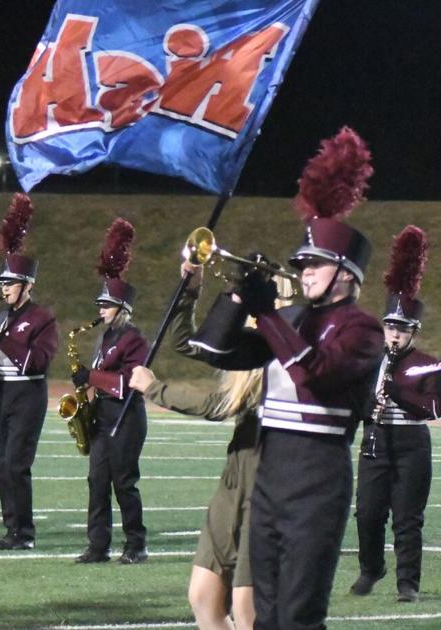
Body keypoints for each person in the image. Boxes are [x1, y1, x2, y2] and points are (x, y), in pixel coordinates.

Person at [189, 128, 383, 629]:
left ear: (346, 273)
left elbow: (312, 375)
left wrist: (268, 315)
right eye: (301, 261)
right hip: (270, 476)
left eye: (315, 262)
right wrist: (237, 296)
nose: (304, 269)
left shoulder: (363, 329)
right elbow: (216, 350)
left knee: (297, 615)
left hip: (316, 481)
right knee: (265, 615)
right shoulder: (292, 317)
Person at [129, 260, 267, 630]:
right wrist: (190, 288)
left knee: (247, 608)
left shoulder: (275, 351)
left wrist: (154, 388)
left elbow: (219, 405)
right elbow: (182, 342)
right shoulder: (241, 345)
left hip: (267, 488)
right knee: (203, 597)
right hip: (232, 485)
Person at [352, 225, 440, 603]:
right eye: (390, 326)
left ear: (413, 331)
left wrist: (399, 392)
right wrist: (365, 406)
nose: (394, 334)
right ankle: (372, 567)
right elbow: (352, 398)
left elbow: (434, 407)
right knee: (368, 514)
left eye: (402, 329)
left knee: (408, 519)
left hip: (411, 444)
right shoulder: (372, 361)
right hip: (375, 442)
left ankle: (409, 584)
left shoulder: (428, 365)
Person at [0, 194, 56, 551]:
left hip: (29, 393)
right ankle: (10, 528)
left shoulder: (43, 319)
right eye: (3, 284)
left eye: (11, 284)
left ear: (28, 285)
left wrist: (3, 341)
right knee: (0, 464)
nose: (5, 289)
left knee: (16, 464)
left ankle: (24, 532)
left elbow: (37, 361)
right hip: (4, 394)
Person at [74, 218, 149, 565]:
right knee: (96, 481)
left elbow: (127, 382)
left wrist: (90, 375)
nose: (100, 309)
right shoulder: (105, 337)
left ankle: (136, 544)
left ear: (123, 309)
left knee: (124, 482)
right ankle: (98, 545)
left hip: (126, 416)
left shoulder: (134, 339)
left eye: (106, 305)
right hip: (103, 417)